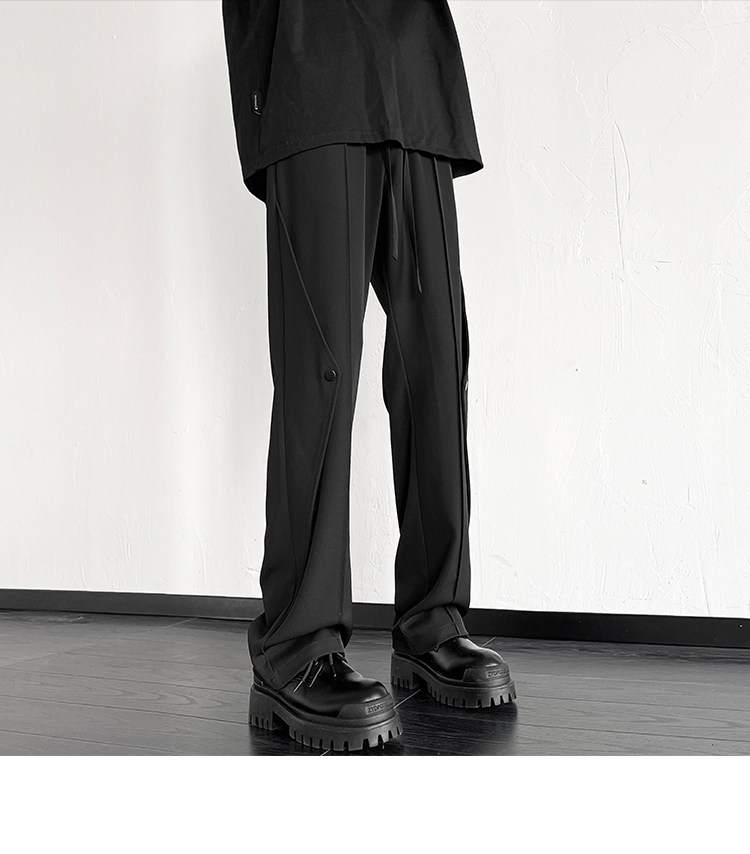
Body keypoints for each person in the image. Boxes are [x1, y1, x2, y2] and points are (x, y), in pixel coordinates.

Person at [222, 0, 516, 753]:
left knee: (438, 356)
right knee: (322, 368)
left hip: (411, 72)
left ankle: (432, 622)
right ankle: (295, 648)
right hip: (311, 60)